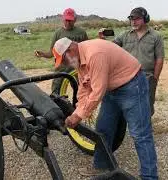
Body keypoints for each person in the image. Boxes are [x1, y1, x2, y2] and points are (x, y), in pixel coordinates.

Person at [52, 37, 158, 180]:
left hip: (132, 86)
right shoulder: (79, 59)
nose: (65, 64)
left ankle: (150, 176)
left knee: (140, 134)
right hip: (111, 88)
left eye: (64, 60)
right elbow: (84, 88)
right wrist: (77, 111)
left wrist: (78, 116)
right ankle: (101, 166)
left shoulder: (95, 54)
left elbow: (97, 92)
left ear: (70, 50)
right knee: (103, 129)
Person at [99, 7, 165, 116]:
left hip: (147, 76)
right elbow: (110, 47)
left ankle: (145, 129)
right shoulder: (124, 35)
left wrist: (155, 78)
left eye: (137, 18)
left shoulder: (156, 37)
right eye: (131, 19)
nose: (133, 21)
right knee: (126, 104)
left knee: (146, 105)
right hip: (127, 76)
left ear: (145, 19)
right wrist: (102, 40)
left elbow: (159, 58)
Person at [34, 8, 88, 94]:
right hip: (61, 68)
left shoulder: (81, 33)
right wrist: (42, 54)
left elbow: (86, 50)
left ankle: (78, 106)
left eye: (70, 20)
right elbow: (52, 53)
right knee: (56, 92)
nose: (68, 22)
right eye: (66, 20)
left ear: (75, 20)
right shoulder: (58, 33)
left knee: (81, 91)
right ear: (63, 19)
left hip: (77, 68)